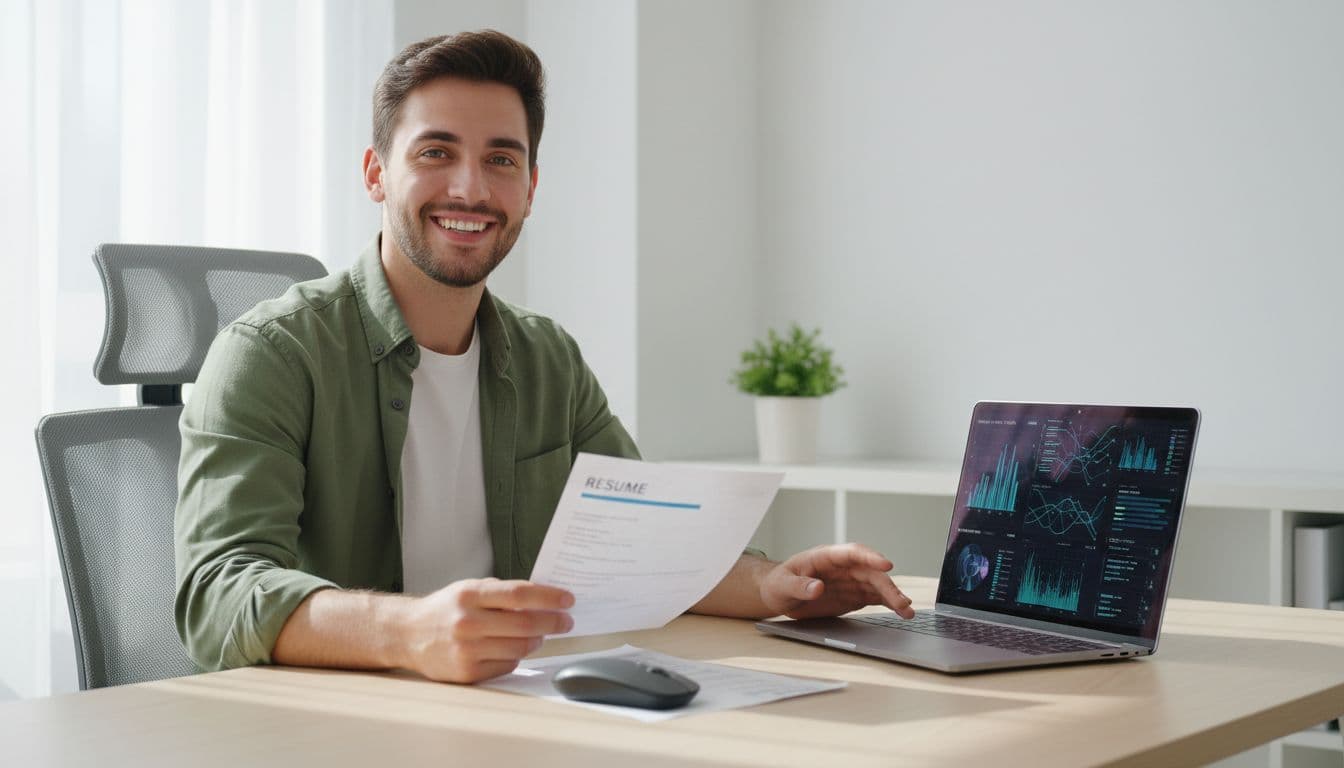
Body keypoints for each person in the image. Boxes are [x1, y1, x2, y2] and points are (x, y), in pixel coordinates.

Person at [174, 29, 914, 685]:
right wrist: (412, 631)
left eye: (502, 159)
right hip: (343, 726)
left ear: (529, 188)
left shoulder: (546, 358)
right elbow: (216, 595)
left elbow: (646, 543)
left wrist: (778, 585)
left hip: (511, 710)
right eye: (436, 152)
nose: (471, 187)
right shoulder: (268, 355)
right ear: (375, 173)